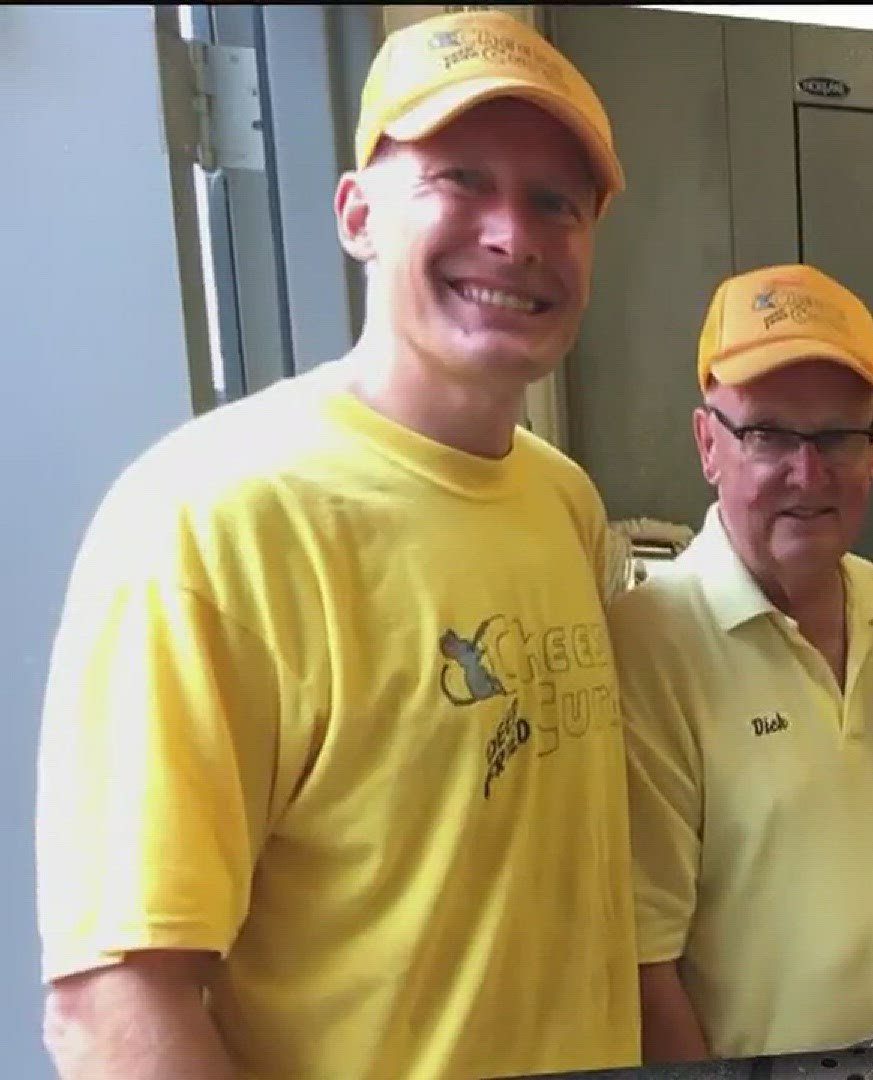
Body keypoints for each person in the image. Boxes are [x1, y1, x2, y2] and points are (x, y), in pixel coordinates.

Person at [35, 11, 643, 1079]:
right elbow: (111, 1008)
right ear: (358, 214)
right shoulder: (208, 522)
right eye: (461, 179)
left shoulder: (563, 502)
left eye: (558, 201)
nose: (516, 234)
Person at [615, 264, 873, 1062]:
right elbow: (640, 965)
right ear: (708, 445)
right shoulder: (648, 644)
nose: (808, 474)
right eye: (767, 434)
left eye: (838, 434)